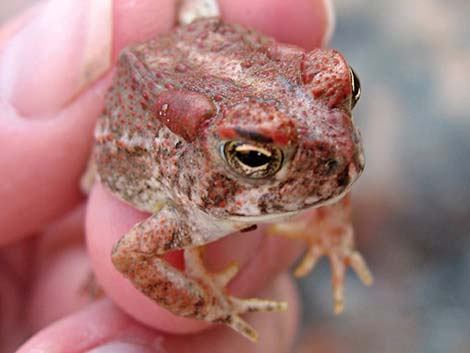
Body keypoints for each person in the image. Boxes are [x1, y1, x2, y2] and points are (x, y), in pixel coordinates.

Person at [0, 0, 334, 352]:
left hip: (215, 53)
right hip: (136, 121)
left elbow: (331, 150)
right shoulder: (184, 206)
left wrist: (333, 225)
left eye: (347, 95)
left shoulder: (326, 147)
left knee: (316, 150)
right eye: (254, 158)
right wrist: (208, 305)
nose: (342, 144)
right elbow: (130, 254)